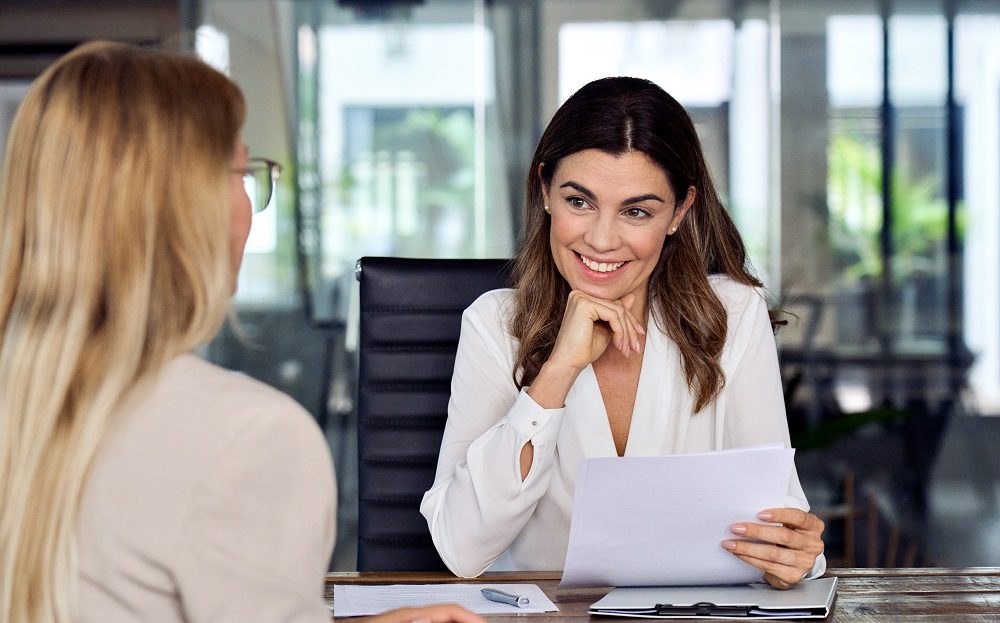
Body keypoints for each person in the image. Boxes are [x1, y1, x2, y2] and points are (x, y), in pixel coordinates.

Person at [0, 42, 483, 623]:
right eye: (242, 173)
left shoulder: (26, 401)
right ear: (188, 208)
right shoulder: (249, 436)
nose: (248, 205)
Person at [421, 76, 826, 588]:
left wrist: (791, 554)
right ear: (545, 190)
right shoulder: (495, 325)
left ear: (680, 211)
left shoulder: (734, 316)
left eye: (636, 211)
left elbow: (779, 517)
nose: (602, 239)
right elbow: (461, 548)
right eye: (579, 201)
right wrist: (557, 373)